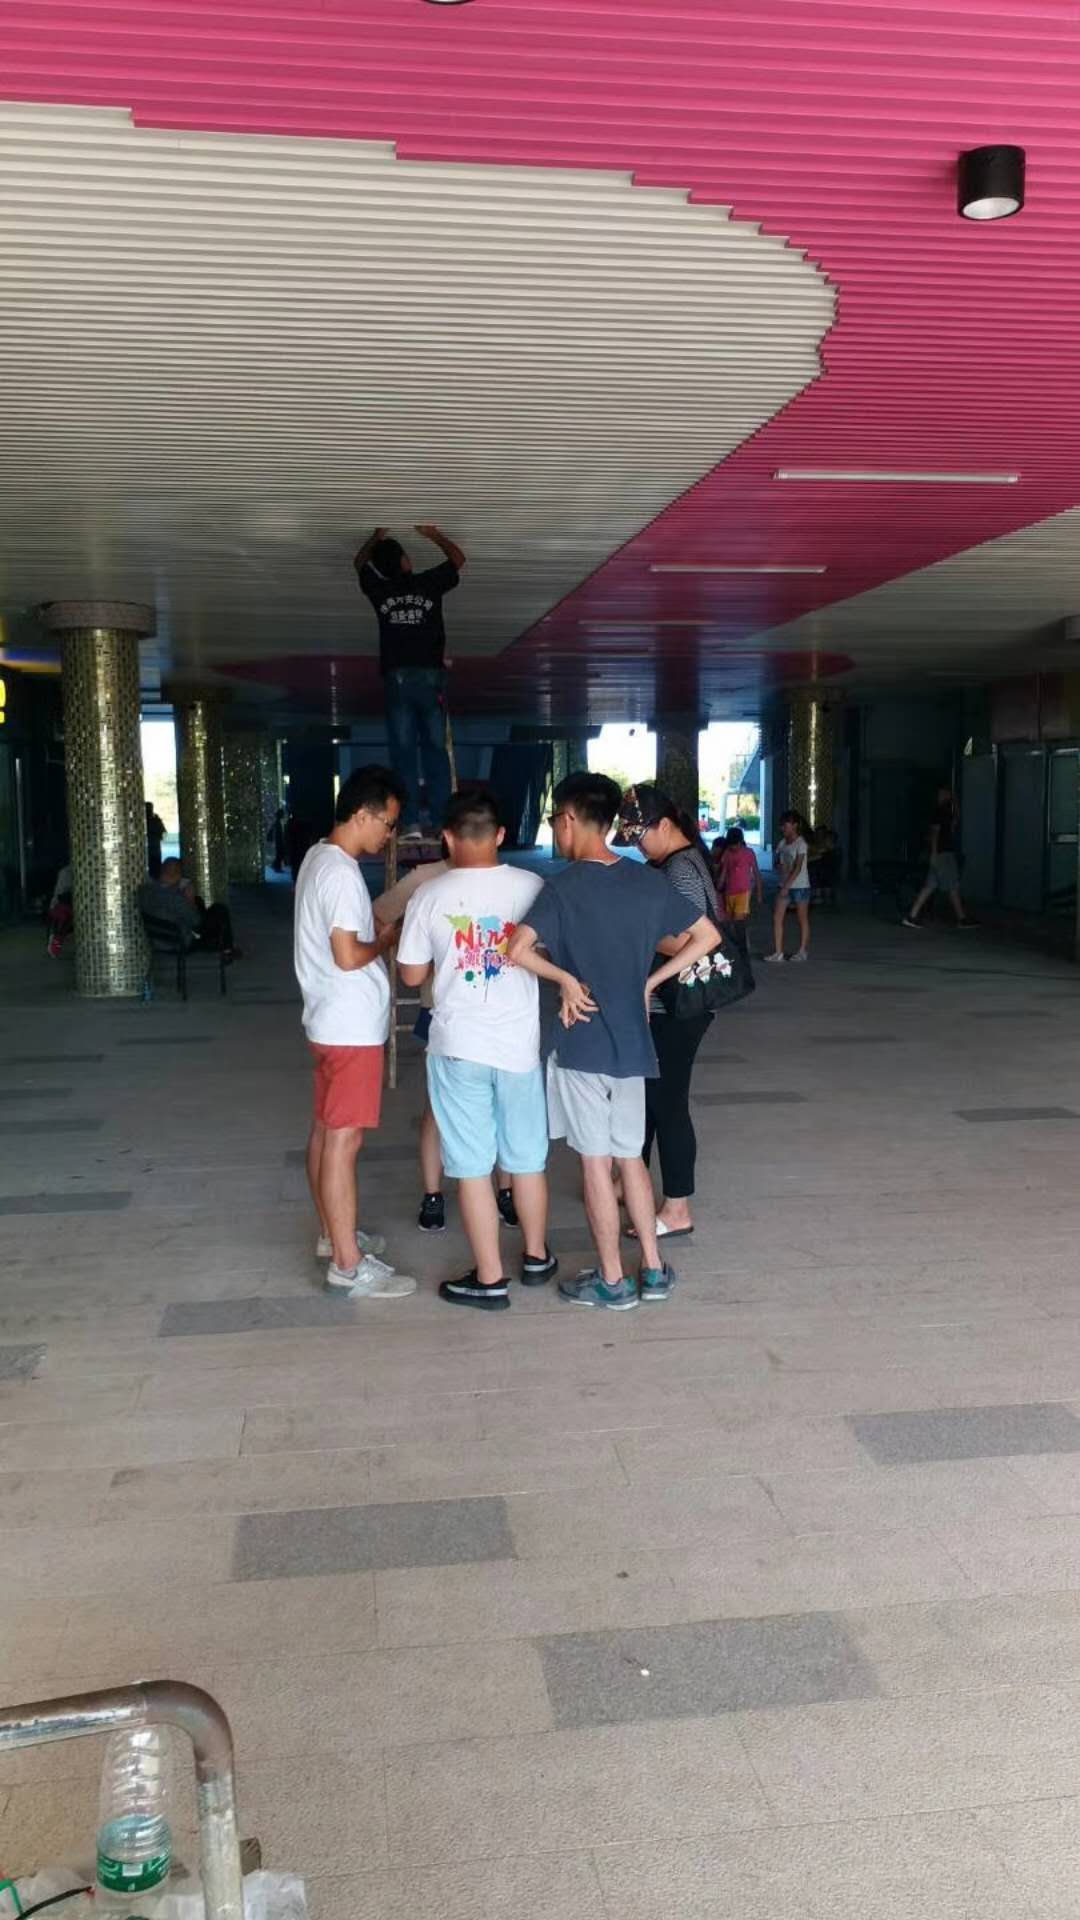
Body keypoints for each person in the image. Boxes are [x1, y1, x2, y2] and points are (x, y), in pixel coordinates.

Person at [509, 772, 720, 1311]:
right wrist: (651, 982)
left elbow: (517, 950)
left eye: (555, 820)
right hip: (634, 1043)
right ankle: (652, 1268)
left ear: (570, 819)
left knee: (595, 1164)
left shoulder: (562, 887)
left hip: (582, 1046)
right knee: (631, 1161)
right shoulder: (646, 882)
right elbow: (708, 936)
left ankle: (610, 1279)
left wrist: (565, 980)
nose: (556, 830)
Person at [398, 788, 557, 1310]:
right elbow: (551, 953)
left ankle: (489, 1279)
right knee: (527, 1159)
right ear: (502, 835)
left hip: (458, 1045)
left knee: (470, 1165)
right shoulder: (532, 886)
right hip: (518, 1046)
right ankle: (536, 1257)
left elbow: (412, 975)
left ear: (446, 837)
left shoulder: (429, 895)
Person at [293, 764, 417, 1300]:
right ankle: (348, 1265)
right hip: (349, 1027)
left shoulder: (317, 856)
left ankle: (333, 1235)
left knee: (327, 1131)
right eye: (387, 823)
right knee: (344, 1141)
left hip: (328, 1019)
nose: (389, 835)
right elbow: (347, 956)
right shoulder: (342, 873)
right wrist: (386, 940)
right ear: (364, 814)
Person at [373, 847, 520, 1234]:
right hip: (443, 1010)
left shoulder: (513, 880)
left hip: (501, 1012)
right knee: (439, 1107)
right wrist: (415, 945)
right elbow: (380, 915)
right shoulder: (426, 879)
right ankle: (433, 1193)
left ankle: (505, 1190)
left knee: (499, 1105)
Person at [618, 785, 720, 1241]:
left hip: (676, 1008)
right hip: (667, 1006)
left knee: (668, 1104)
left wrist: (630, 933)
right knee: (648, 1100)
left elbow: (688, 940)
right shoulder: (677, 863)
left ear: (664, 824)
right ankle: (630, 1183)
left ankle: (677, 1208)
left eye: (641, 836)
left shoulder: (680, 869)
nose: (638, 846)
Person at [355, 524, 466, 843]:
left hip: (398, 680)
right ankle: (443, 821)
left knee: (403, 753)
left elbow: (359, 563)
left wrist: (374, 538)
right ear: (406, 561)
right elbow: (458, 559)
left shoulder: (380, 590)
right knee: (436, 751)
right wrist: (434, 535)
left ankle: (411, 823)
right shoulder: (427, 584)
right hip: (430, 680)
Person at [903, 785, 974, 929]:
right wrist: (934, 853)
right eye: (941, 793)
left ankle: (912, 916)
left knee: (929, 886)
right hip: (943, 854)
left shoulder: (946, 812)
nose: (941, 796)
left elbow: (955, 820)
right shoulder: (940, 812)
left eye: (943, 793)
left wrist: (955, 801)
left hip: (941, 854)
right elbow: (935, 833)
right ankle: (962, 918)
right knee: (952, 886)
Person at [138, 859, 238, 958]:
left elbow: (165, 904)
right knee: (219, 909)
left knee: (199, 901)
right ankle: (227, 949)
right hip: (179, 942)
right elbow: (196, 922)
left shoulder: (145, 891)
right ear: (177, 874)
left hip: (157, 940)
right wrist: (190, 900)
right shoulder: (176, 898)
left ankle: (224, 945)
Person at [765, 811, 811, 964]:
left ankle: (802, 951)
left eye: (785, 825)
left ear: (794, 825)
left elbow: (798, 867)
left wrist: (787, 886)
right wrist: (779, 866)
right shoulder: (782, 843)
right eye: (782, 825)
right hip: (784, 884)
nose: (782, 828)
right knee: (777, 917)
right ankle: (778, 952)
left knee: (802, 918)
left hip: (800, 886)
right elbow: (777, 862)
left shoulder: (801, 844)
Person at [715, 825, 762, 924]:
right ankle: (741, 934)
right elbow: (724, 870)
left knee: (738, 921)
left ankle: (741, 934)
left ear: (741, 841)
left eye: (735, 844)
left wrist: (759, 893)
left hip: (744, 892)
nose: (733, 847)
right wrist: (720, 884)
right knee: (730, 921)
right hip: (729, 892)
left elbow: (756, 873)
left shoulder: (749, 853)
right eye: (731, 845)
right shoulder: (727, 853)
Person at [46, 860, 73, 958]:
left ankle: (54, 946)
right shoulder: (68, 872)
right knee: (61, 928)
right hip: (63, 904)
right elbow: (62, 889)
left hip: (60, 903)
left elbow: (59, 889)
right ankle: (54, 947)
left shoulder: (64, 871)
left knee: (60, 928)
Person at [145, 802, 166, 879]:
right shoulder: (155, 819)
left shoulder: (155, 819)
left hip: (153, 847)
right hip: (154, 847)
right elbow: (163, 832)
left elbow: (162, 832)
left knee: (154, 865)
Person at [268, 806, 286, 874]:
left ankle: (275, 866)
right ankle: (276, 867)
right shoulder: (277, 823)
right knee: (279, 854)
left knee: (279, 854)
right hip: (278, 841)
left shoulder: (277, 822)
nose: (283, 815)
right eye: (282, 814)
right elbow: (277, 833)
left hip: (278, 841)